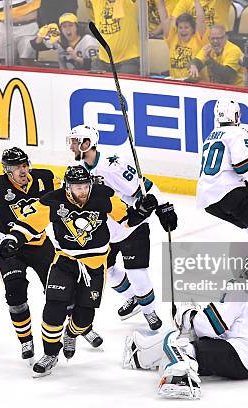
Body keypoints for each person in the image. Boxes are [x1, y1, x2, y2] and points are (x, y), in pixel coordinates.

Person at [0, 165, 158, 377]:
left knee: (84, 318)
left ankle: (71, 333)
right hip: (65, 262)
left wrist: (142, 210)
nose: (82, 191)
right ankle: (50, 354)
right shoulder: (53, 201)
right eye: (77, 187)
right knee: (54, 308)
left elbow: (126, 219)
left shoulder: (103, 195)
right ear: (67, 187)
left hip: (94, 267)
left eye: (85, 186)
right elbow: (29, 224)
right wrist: (13, 239)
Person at [0, 148, 102, 363]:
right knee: (15, 292)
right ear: (6, 170)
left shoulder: (44, 179)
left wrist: (92, 185)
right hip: (8, 248)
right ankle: (26, 340)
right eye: (15, 167)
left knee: (63, 289)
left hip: (39, 244)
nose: (22, 170)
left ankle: (80, 327)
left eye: (24, 165)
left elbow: (68, 189)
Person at [67, 125, 178, 330]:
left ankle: (149, 311)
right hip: (106, 229)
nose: (71, 146)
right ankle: (133, 298)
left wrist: (164, 207)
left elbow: (145, 186)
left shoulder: (113, 166)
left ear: (87, 143)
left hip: (132, 225)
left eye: (75, 142)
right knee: (105, 268)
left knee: (136, 272)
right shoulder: (80, 171)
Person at [123, 290, 248, 399]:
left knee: (178, 342)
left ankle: (176, 375)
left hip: (238, 355)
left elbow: (210, 326)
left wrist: (188, 316)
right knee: (194, 348)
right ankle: (140, 351)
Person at [197, 99, 248, 250]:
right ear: (235, 116)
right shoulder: (238, 133)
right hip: (228, 192)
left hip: (208, 200)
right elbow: (242, 165)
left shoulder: (211, 136)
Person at [31, 12, 99, 70]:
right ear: (61, 29)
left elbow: (96, 65)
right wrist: (40, 36)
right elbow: (37, 46)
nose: (68, 29)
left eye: (70, 25)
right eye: (64, 26)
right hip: (65, 77)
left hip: (86, 77)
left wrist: (76, 58)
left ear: (76, 27)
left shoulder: (88, 41)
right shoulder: (58, 39)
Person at [157, 0, 207, 79]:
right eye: (180, 27)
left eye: (187, 27)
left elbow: (201, 20)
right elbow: (164, 19)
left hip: (195, 83)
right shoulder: (173, 39)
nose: (183, 30)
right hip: (175, 82)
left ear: (193, 29)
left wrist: (196, 1)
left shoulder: (198, 39)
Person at [90, 0, 140, 74]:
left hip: (128, 60)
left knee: (125, 83)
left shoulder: (128, 2)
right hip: (102, 60)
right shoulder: (98, 2)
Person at [0, 0, 40, 66]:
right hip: (4, 27)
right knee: (5, 62)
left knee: (26, 61)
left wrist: (16, 19)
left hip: (26, 28)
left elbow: (34, 14)